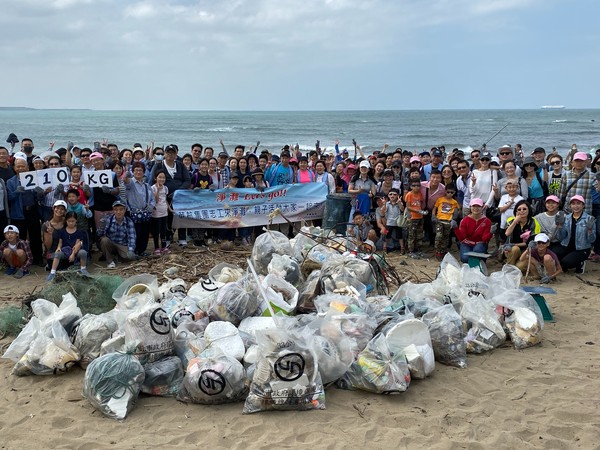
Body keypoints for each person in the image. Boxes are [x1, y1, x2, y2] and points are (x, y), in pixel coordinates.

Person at [554, 195, 596, 274]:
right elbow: (561, 237)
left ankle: (580, 263)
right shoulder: (567, 218)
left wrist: (590, 230)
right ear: (570, 205)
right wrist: (559, 226)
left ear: (583, 205)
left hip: (582, 248)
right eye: (573, 204)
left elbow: (592, 240)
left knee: (566, 263)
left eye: (578, 203)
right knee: (554, 254)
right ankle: (568, 262)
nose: (575, 206)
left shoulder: (589, 219)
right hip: (567, 245)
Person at [46, 212, 90, 281]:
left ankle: (83, 269)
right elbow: (60, 243)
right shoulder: (62, 231)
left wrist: (73, 254)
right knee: (57, 254)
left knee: (83, 252)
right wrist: (58, 248)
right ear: (66, 221)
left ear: (76, 221)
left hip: (75, 251)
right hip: (65, 251)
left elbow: (76, 245)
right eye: (69, 221)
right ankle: (52, 272)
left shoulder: (79, 232)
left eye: (73, 221)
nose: (71, 223)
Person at [125, 162, 155, 256]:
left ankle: (142, 250)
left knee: (145, 233)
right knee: (135, 233)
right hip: (134, 213)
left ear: (144, 172)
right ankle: (135, 251)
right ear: (133, 171)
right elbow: (126, 181)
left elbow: (153, 199)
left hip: (145, 213)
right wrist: (126, 172)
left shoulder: (146, 185)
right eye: (136, 170)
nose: (138, 172)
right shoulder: (131, 184)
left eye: (140, 170)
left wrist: (151, 207)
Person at [97, 200, 137, 268]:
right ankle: (110, 261)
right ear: (113, 210)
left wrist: (131, 250)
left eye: (121, 209)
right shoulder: (107, 219)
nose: (118, 212)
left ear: (125, 210)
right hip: (110, 244)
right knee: (104, 240)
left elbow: (132, 238)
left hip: (122, 245)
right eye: (116, 210)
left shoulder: (129, 222)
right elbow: (99, 234)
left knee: (130, 257)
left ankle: (117, 257)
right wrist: (101, 227)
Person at [454, 198, 493, 263]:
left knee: (477, 253)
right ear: (470, 207)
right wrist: (455, 228)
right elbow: (462, 238)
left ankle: (479, 259)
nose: (476, 208)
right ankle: (478, 260)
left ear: (482, 207)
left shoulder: (487, 221)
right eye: (474, 206)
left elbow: (484, 239)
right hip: (467, 243)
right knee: (465, 259)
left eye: (478, 206)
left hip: (480, 243)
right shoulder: (465, 220)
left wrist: (491, 233)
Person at [503, 200, 541, 266]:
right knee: (515, 249)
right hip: (512, 249)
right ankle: (510, 266)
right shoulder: (510, 220)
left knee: (519, 267)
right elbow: (507, 234)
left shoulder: (534, 222)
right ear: (516, 211)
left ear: (529, 210)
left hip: (526, 249)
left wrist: (514, 244)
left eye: (524, 209)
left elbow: (530, 242)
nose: (522, 211)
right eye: (519, 209)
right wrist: (515, 222)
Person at [432, 183, 460, 260]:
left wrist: (454, 218)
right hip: (439, 220)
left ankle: (443, 251)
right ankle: (437, 251)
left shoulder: (454, 202)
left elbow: (458, 210)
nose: (450, 194)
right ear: (445, 191)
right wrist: (433, 215)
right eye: (448, 192)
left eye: (452, 192)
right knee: (439, 236)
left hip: (448, 221)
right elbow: (435, 208)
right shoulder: (440, 199)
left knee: (446, 237)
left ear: (454, 193)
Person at [404, 180, 426, 257]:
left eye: (418, 185)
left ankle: (419, 250)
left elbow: (422, 203)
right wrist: (418, 210)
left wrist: (422, 210)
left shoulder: (420, 194)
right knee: (411, 235)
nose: (416, 187)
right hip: (412, 217)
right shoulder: (409, 194)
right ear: (411, 187)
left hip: (420, 217)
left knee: (419, 234)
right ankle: (411, 251)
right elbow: (408, 206)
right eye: (414, 185)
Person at [151, 171, 170, 255]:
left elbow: (165, 199)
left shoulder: (165, 188)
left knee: (163, 230)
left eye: (163, 177)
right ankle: (156, 247)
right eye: (160, 177)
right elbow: (155, 200)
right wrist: (158, 190)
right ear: (156, 178)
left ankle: (164, 246)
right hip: (156, 213)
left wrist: (169, 208)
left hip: (164, 212)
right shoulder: (153, 188)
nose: (162, 179)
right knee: (156, 231)